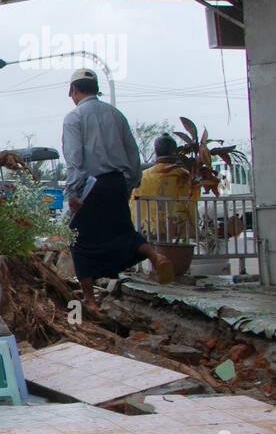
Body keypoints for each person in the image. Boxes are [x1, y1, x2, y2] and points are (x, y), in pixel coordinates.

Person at [62, 69, 173, 312]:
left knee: (79, 241)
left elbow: (75, 160)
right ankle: (156, 257)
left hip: (90, 186)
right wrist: (129, 185)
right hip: (116, 182)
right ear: (96, 88)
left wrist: (72, 193)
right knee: (122, 231)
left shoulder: (74, 118)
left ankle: (89, 301)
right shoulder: (116, 115)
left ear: (73, 90)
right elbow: (133, 155)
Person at [130, 133, 199, 243]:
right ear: (175, 152)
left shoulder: (142, 177)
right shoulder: (186, 177)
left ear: (156, 152)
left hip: (148, 230)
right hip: (179, 231)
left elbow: (133, 209)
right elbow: (192, 207)